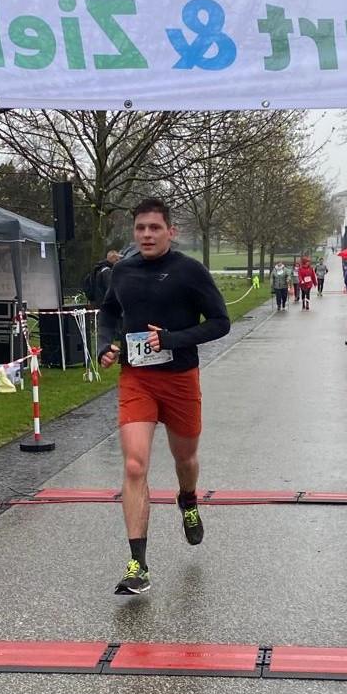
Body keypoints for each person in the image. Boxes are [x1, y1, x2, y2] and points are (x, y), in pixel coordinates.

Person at [98, 198, 230, 595]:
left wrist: (173, 339)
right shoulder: (122, 271)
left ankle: (187, 499)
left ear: (171, 231)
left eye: (155, 228)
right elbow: (108, 312)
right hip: (137, 378)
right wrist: (105, 344)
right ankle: (137, 564)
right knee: (134, 465)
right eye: (140, 228)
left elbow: (221, 322)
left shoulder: (190, 271)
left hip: (179, 379)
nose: (147, 235)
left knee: (185, 458)